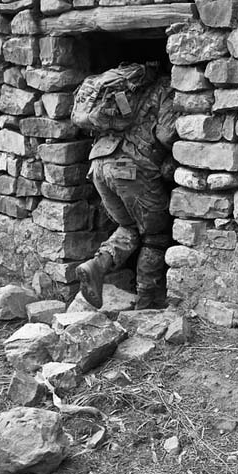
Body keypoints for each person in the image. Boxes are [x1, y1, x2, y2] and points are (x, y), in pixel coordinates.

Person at [71, 62, 177, 310]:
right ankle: (147, 301)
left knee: (129, 227)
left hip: (98, 165)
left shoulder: (123, 91)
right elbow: (166, 135)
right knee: (156, 235)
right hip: (128, 168)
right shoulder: (163, 88)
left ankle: (97, 265)